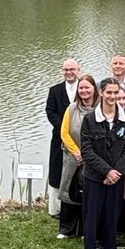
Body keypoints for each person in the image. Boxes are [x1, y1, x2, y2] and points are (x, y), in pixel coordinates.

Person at [80, 78, 125, 249]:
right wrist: (107, 171)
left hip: (116, 179)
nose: (112, 97)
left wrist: (116, 171)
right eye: (108, 93)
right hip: (94, 178)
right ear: (101, 93)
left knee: (112, 218)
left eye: (115, 93)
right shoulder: (89, 119)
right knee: (92, 218)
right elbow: (87, 151)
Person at [57, 74, 97, 239]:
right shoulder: (71, 108)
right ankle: (66, 229)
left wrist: (89, 154)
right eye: (81, 88)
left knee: (88, 193)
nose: (84, 90)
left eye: (87, 87)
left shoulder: (101, 109)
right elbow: (64, 133)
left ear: (94, 89)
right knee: (69, 190)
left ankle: (84, 229)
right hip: (73, 157)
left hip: (93, 158)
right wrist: (76, 151)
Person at [45, 59, 81, 218]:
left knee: (79, 171)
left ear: (78, 70)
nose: (69, 72)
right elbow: (50, 111)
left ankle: (77, 204)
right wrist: (63, 128)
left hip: (81, 138)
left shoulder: (86, 88)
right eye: (66, 69)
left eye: (72, 69)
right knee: (57, 170)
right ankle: (55, 209)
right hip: (59, 138)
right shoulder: (55, 90)